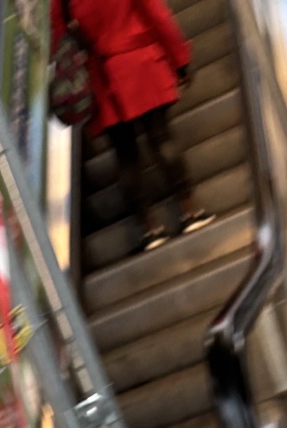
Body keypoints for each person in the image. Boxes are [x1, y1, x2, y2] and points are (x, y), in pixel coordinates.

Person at [66, 0, 212, 251]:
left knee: (126, 157)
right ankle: (189, 212)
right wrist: (180, 59)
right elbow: (157, 15)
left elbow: (60, 42)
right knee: (161, 139)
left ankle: (148, 230)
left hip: (100, 81)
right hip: (139, 63)